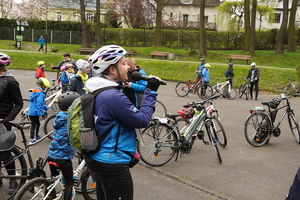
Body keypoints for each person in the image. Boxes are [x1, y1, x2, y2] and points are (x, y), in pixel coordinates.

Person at [85, 45, 161, 200]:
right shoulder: (113, 96)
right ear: (112, 70)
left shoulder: (99, 91)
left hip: (98, 158)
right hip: (113, 163)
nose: (128, 67)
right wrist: (151, 92)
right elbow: (141, 120)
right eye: (124, 63)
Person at [47, 91, 80, 200]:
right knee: (69, 183)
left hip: (51, 155)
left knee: (52, 179)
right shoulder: (73, 120)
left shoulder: (59, 117)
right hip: (63, 158)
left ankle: (50, 195)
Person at [0, 52, 23, 194]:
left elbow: (19, 103)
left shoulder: (10, 81)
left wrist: (8, 119)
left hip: (3, 122)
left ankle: (13, 180)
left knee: (6, 153)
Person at [28, 78, 51, 144]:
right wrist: (40, 114)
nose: (45, 88)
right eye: (45, 86)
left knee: (37, 124)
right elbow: (39, 104)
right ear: (42, 85)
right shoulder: (40, 93)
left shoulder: (34, 91)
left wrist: (46, 108)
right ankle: (32, 139)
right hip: (36, 112)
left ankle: (37, 136)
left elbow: (38, 103)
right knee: (34, 124)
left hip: (31, 111)